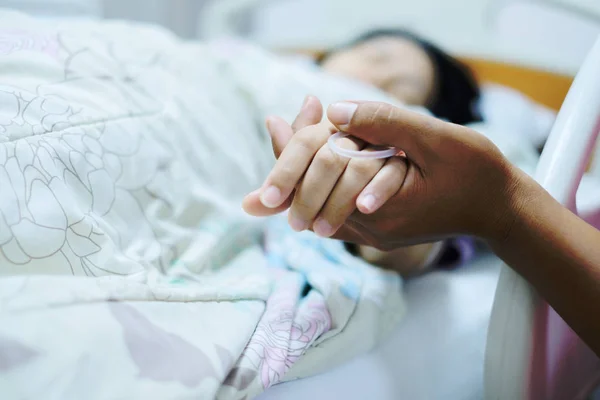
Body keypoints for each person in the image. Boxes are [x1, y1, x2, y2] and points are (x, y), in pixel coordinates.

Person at [242, 98, 600, 357]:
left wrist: (502, 207)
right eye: (373, 54)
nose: (378, 75)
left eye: (403, 77)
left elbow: (470, 191)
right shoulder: (273, 73)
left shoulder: (478, 137)